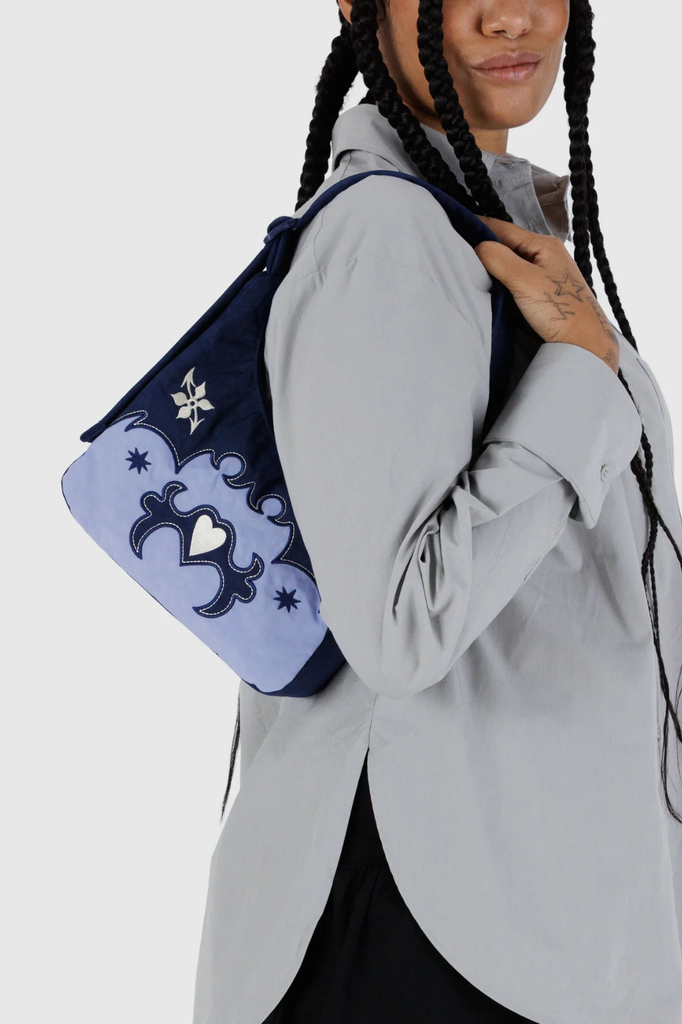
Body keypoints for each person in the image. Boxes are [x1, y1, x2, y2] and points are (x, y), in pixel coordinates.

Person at [192, 2, 682, 1022]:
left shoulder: (471, 231)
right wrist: (580, 370)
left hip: (509, 918)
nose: (511, 13)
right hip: (431, 926)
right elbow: (398, 629)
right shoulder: (387, 236)